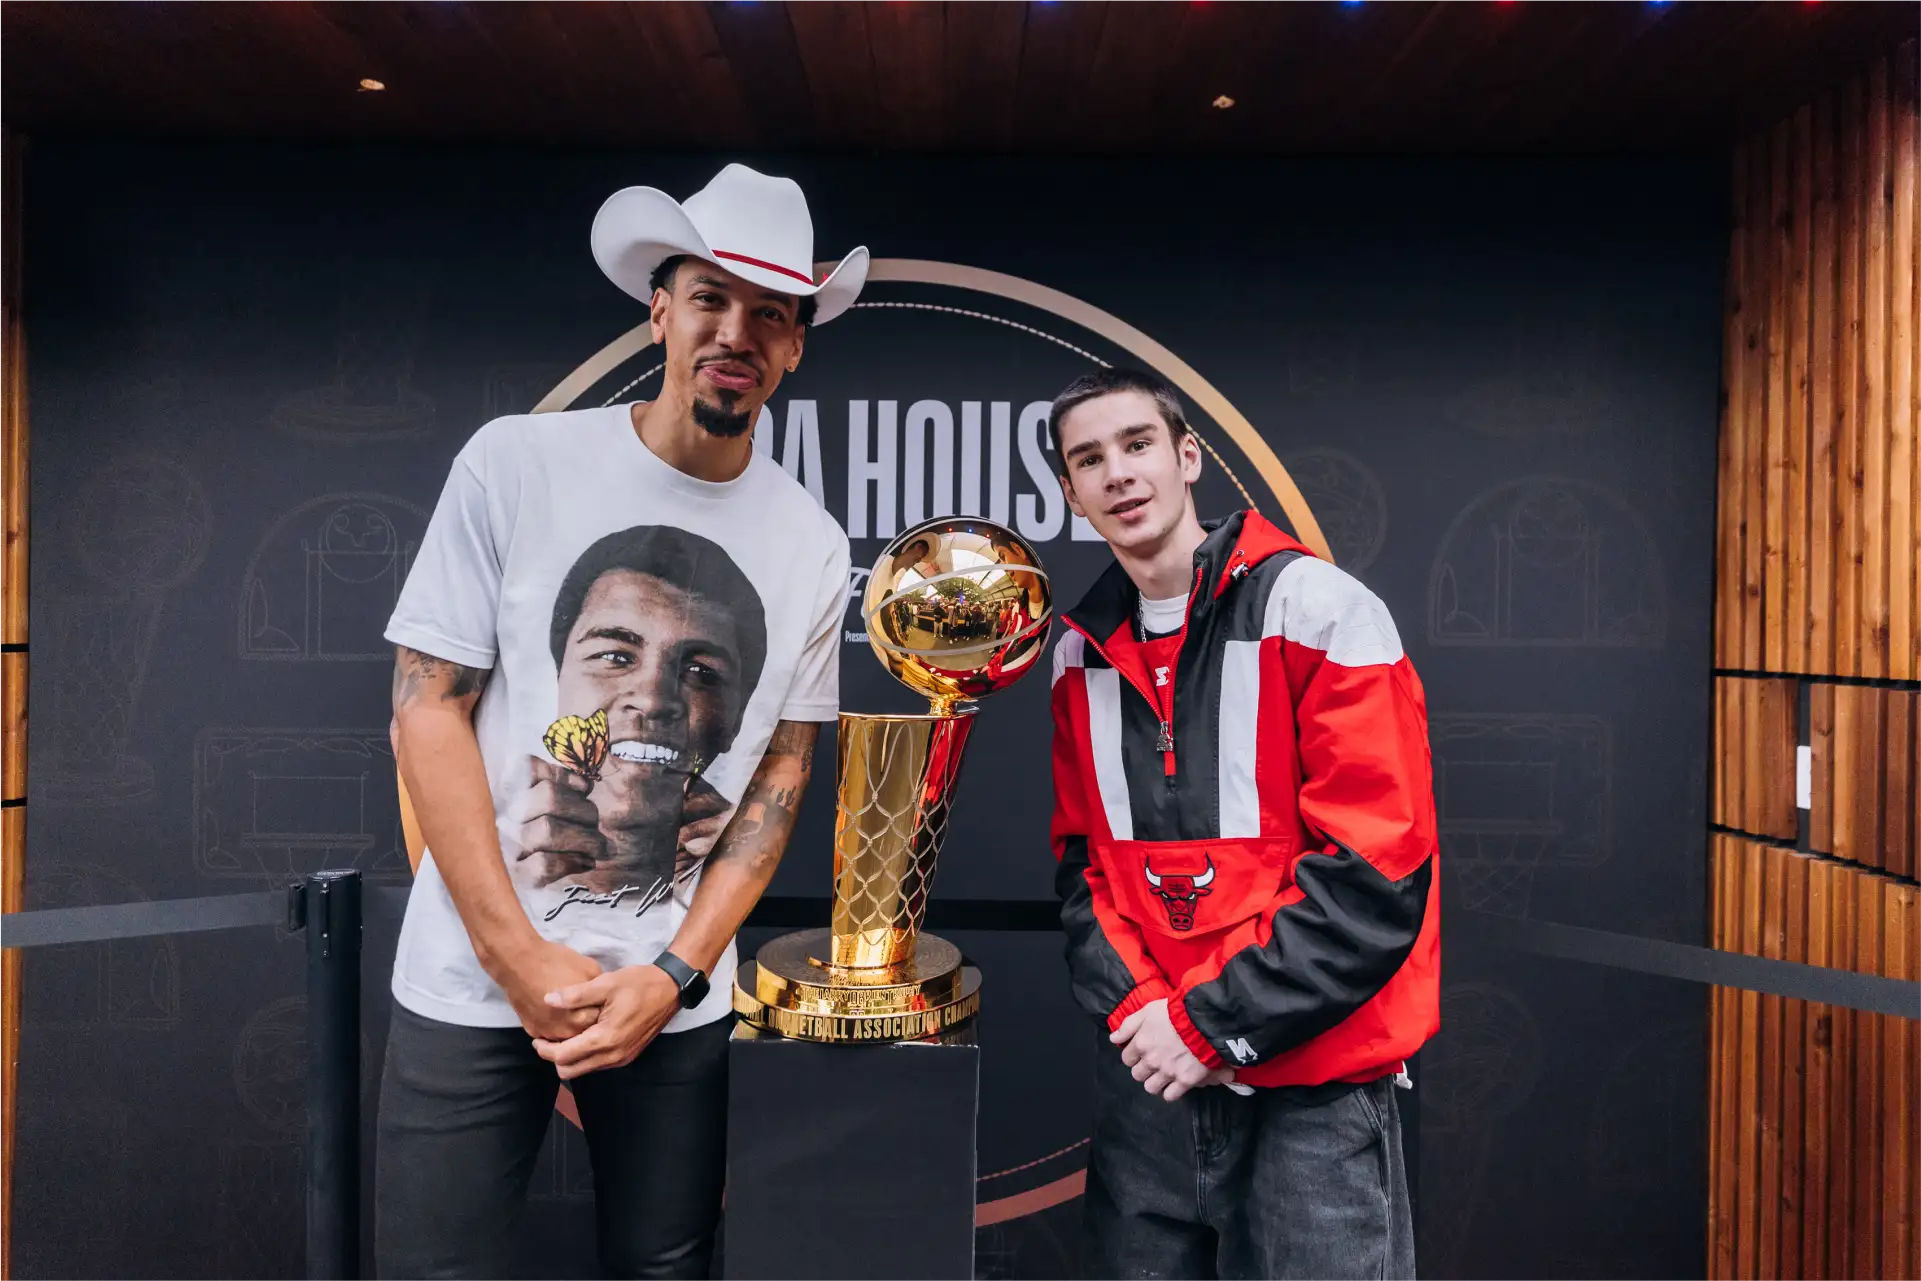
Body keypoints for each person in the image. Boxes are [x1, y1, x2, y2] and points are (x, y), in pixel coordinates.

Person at [377, 162, 864, 1281]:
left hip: (672, 997)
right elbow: (426, 711)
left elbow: (779, 778)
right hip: (471, 978)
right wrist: (516, 958)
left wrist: (678, 975)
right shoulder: (516, 463)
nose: (737, 331)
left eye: (771, 314)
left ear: (796, 345)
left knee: (667, 1268)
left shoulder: (810, 541)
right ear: (660, 308)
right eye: (710, 298)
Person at [1044, 367, 1438, 1281]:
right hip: (1154, 1088)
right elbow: (1083, 870)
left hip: (1315, 1089)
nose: (1118, 473)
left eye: (1137, 444)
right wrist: (1149, 1015)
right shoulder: (1077, 653)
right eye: (1089, 459)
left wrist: (1209, 1025)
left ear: (1186, 456)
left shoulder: (1322, 609)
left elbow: (1374, 874)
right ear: (1070, 493)